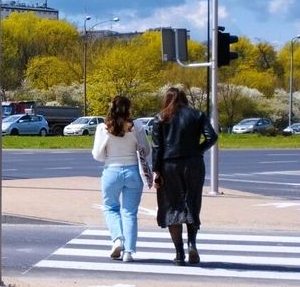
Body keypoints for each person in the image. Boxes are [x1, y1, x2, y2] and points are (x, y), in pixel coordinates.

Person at [151, 87, 218, 266]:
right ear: (184, 98)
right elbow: (212, 137)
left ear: (167, 99)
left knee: (171, 207)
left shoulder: (160, 117)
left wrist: (156, 171)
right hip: (194, 164)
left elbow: (157, 147)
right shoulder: (197, 115)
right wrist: (198, 150)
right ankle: (192, 244)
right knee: (192, 203)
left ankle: (179, 253)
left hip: (169, 165)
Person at [91, 95, 152, 263]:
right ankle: (129, 252)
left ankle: (117, 239)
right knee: (130, 212)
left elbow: (98, 155)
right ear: (129, 108)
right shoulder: (137, 126)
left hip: (111, 171)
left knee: (110, 208)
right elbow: (146, 150)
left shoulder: (103, 128)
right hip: (133, 171)